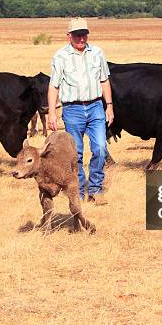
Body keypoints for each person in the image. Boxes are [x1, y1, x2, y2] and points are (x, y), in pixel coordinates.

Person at [47, 18, 114, 203]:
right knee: (75, 154)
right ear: (69, 36)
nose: (81, 38)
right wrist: (52, 113)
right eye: (77, 34)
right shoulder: (60, 56)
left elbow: (104, 80)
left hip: (95, 107)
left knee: (100, 148)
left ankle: (95, 189)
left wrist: (109, 106)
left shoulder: (97, 53)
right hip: (72, 109)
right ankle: (79, 191)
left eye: (84, 34)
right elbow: (54, 86)